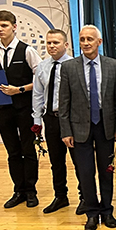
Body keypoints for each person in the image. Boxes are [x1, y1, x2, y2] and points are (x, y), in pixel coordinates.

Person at [58, 25, 116, 230]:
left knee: (106, 171)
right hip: (79, 129)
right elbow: (63, 103)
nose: (86, 43)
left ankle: (107, 211)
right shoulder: (69, 67)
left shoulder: (113, 66)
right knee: (85, 173)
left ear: (99, 42)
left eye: (90, 39)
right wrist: (66, 131)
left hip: (106, 126)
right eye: (82, 39)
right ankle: (92, 213)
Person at [0, 10, 42, 209]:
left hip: (25, 108)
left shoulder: (27, 51)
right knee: (12, 152)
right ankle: (19, 190)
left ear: (14, 27)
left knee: (28, 149)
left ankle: (31, 190)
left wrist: (20, 89)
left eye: (4, 25)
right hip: (3, 110)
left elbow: (40, 81)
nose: (0, 29)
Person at [31, 29, 78, 214]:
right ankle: (60, 196)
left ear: (65, 45)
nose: (51, 46)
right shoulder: (42, 67)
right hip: (51, 118)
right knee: (56, 161)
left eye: (56, 42)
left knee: (78, 160)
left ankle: (84, 196)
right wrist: (37, 120)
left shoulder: (74, 65)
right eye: (49, 43)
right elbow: (38, 94)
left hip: (71, 119)